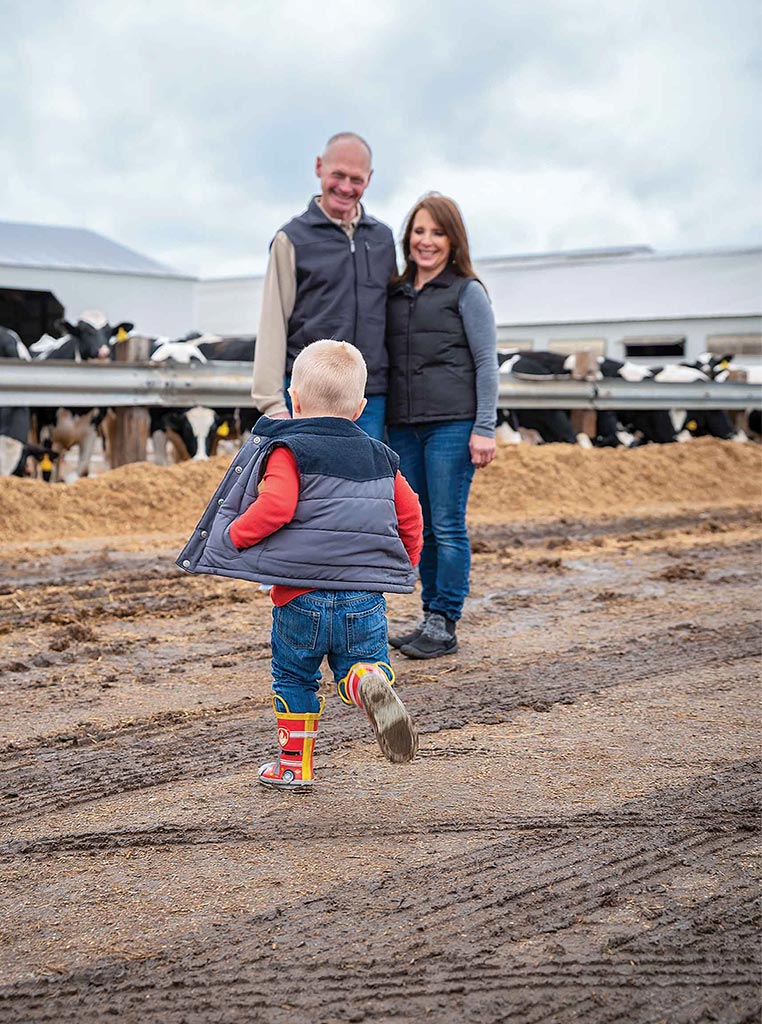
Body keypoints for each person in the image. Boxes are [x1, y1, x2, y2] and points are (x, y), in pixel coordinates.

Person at [178, 340, 424, 790]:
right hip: (363, 599)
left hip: (299, 597)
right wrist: (404, 562)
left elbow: (276, 507)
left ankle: (294, 766)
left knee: (295, 677)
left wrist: (236, 534)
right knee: (362, 660)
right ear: (360, 408)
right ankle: (366, 682)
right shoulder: (382, 457)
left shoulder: (287, 448)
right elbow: (409, 515)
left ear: (294, 399)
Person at [385, 194, 499, 659]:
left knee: (447, 524)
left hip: (453, 424)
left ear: (453, 240)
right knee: (421, 524)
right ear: (407, 237)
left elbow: (486, 362)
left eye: (437, 232)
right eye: (419, 231)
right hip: (404, 425)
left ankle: (444, 620)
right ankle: (429, 615)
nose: (426, 241)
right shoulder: (394, 293)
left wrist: (485, 427)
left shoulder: (466, 290)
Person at [251, 132, 397, 440]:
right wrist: (272, 402)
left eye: (356, 179)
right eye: (338, 175)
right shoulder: (291, 238)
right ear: (319, 167)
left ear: (369, 179)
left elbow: (394, 319)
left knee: (366, 486)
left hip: (369, 399)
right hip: (309, 395)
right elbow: (273, 320)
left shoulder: (382, 239)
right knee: (312, 486)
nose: (345, 187)